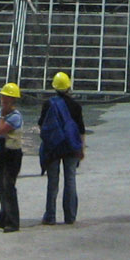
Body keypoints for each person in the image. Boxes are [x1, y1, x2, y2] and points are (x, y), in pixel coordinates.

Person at [38, 72, 85, 226]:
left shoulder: (49, 104)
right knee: (70, 179)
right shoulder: (76, 106)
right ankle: (70, 216)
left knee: (53, 181)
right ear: (68, 86)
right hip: (71, 146)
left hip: (54, 146)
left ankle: (50, 216)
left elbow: (42, 126)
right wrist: (81, 149)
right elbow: (81, 130)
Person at [0, 83, 24, 232]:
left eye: (5, 97)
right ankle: (3, 216)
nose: (2, 99)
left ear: (12, 100)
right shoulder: (1, 112)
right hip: (0, 152)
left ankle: (13, 221)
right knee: (0, 187)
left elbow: (1, 130)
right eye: (2, 96)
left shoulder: (15, 117)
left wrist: (3, 115)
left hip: (11, 154)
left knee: (8, 187)